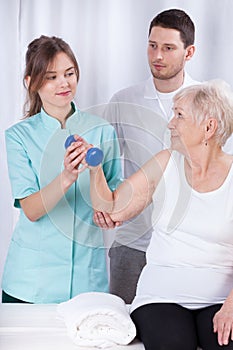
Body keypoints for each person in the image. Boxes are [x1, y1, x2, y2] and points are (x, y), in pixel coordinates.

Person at [83, 79, 233, 349]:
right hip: (160, 297)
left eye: (179, 115)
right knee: (172, 344)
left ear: (208, 128)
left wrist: (231, 306)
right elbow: (112, 207)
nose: (170, 124)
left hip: (222, 299)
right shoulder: (165, 162)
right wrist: (94, 166)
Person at [1, 35, 122, 304]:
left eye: (69, 73)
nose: (63, 83)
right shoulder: (18, 136)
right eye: (51, 77)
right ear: (31, 83)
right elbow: (31, 210)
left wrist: (96, 173)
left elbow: (115, 204)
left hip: (87, 281)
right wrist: (67, 176)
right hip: (31, 284)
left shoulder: (102, 131)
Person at [94, 8, 200, 304]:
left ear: (189, 52)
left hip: (188, 244)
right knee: (120, 327)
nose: (158, 56)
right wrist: (106, 205)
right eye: (152, 46)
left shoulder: (208, 101)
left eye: (168, 48)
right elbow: (107, 167)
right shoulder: (123, 101)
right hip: (132, 242)